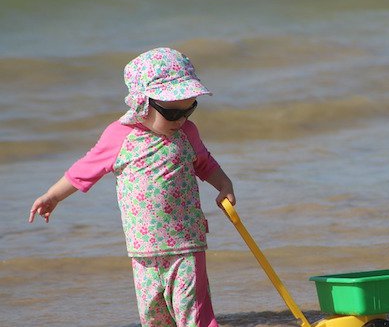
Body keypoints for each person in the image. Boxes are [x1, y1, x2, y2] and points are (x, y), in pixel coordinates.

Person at [28, 47, 235, 327]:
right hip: (143, 249)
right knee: (154, 316)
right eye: (172, 113)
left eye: (190, 108)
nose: (182, 119)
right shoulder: (120, 136)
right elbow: (85, 169)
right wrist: (53, 196)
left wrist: (223, 183)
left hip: (187, 242)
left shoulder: (188, 133)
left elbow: (205, 163)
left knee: (195, 314)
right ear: (142, 104)